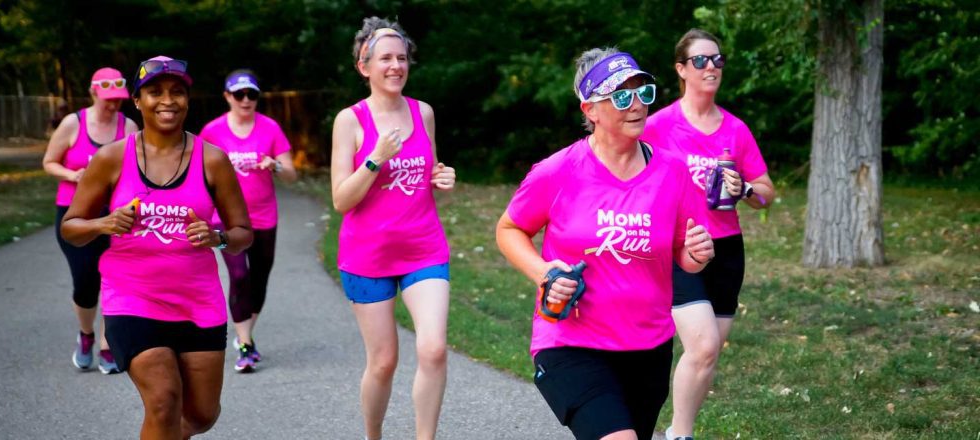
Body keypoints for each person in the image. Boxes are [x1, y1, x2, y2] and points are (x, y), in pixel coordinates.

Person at [495, 48, 715, 440]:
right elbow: (510, 229)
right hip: (571, 342)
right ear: (590, 109)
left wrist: (696, 255)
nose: (636, 106)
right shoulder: (557, 171)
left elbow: (684, 253)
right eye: (620, 96)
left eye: (641, 92)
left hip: (648, 347)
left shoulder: (673, 172)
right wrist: (543, 272)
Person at [60, 55, 253, 438]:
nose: (168, 100)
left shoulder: (213, 160)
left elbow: (243, 232)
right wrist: (104, 223)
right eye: (155, 92)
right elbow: (70, 227)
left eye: (177, 92)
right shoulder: (111, 158)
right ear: (136, 99)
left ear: (188, 99)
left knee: (200, 416)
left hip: (198, 302)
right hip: (133, 297)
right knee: (164, 400)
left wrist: (218, 237)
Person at [641, 29, 776, 440]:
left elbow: (767, 192)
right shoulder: (658, 126)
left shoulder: (735, 130)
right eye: (701, 60)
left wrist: (746, 190)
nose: (711, 67)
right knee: (702, 348)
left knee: (707, 353)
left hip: (727, 249)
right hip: (679, 245)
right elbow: (629, 176)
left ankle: (677, 428)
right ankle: (679, 435)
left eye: (717, 60)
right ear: (681, 69)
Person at [330, 17, 456, 440]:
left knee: (434, 349)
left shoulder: (423, 112)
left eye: (402, 58)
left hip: (424, 248)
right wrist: (375, 158)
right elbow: (341, 199)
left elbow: (429, 177)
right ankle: (374, 434)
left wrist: (443, 180)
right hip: (367, 256)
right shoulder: (350, 121)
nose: (396, 66)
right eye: (385, 58)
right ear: (364, 66)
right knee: (383, 361)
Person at [199, 69, 298, 373]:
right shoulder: (212, 132)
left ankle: (245, 332)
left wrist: (275, 166)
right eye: (239, 94)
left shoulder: (269, 128)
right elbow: (198, 174)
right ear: (228, 96)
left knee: (259, 279)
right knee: (239, 276)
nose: (246, 100)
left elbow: (292, 175)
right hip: (226, 219)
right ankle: (245, 344)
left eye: (251, 94)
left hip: (264, 217)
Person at [42, 67, 139, 374]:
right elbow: (48, 162)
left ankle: (108, 345)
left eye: (118, 100)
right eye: (108, 99)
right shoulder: (74, 123)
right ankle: (86, 335)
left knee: (115, 279)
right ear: (94, 92)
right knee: (86, 281)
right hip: (75, 214)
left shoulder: (128, 127)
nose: (113, 105)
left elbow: (139, 171)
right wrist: (73, 175)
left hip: (116, 215)